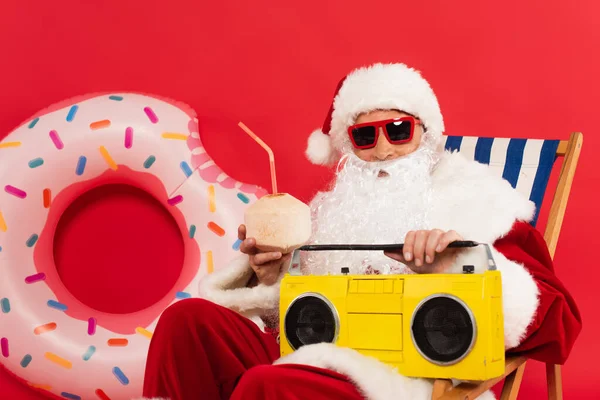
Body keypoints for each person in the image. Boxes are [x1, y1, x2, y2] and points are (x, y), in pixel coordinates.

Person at [139, 63, 581, 400]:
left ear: (424, 134)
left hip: (400, 379)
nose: (384, 149)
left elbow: (559, 321)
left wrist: (457, 263)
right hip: (310, 355)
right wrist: (273, 276)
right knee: (188, 321)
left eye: (398, 129)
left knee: (265, 385)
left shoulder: (476, 204)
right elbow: (293, 322)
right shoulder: (329, 212)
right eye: (365, 136)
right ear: (347, 145)